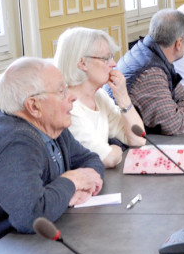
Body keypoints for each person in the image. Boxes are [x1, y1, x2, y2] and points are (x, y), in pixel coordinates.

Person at [0, 57, 104, 239]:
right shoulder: (12, 145)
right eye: (61, 91)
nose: (72, 96)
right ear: (34, 106)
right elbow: (33, 216)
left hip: (30, 243)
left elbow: (90, 160)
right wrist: (72, 182)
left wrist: (78, 189)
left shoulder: (51, 126)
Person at [54, 27, 145, 168]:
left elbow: (138, 139)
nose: (114, 64)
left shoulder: (99, 96)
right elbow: (107, 158)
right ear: (82, 63)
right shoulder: (69, 106)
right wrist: (115, 150)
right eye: (106, 58)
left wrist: (123, 98)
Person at [117, 8, 184, 135]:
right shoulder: (151, 72)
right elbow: (172, 125)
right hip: (127, 143)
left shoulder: (152, 54)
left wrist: (178, 109)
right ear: (179, 43)